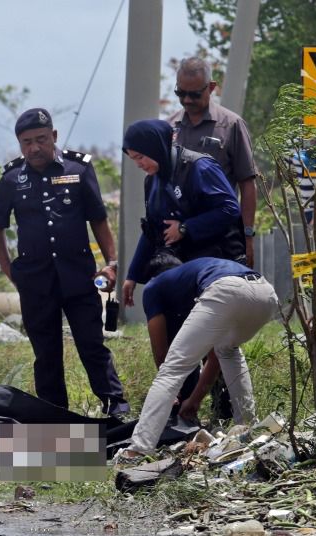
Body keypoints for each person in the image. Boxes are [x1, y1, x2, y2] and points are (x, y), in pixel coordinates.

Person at [0, 108, 128, 418]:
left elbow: (98, 220)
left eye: (40, 139)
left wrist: (112, 263)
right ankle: (54, 414)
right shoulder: (12, 178)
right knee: (46, 354)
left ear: (53, 136)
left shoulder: (79, 169)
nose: (34, 148)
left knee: (91, 344)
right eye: (26, 142)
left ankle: (115, 406)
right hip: (35, 281)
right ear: (19, 144)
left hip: (77, 276)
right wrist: (10, 271)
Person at [121, 119, 258, 425]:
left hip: (218, 264)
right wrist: (131, 275)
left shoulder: (198, 167)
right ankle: (183, 410)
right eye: (134, 160)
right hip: (184, 270)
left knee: (219, 343)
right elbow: (152, 229)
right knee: (183, 338)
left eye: (142, 157)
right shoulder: (152, 180)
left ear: (157, 147)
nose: (140, 164)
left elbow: (229, 210)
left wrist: (186, 227)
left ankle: (225, 415)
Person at [117, 254, 279, 460]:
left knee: (172, 368)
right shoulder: (197, 274)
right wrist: (194, 400)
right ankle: (250, 430)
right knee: (228, 351)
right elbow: (215, 357)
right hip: (266, 293)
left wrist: (173, 396)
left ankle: (137, 450)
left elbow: (161, 353)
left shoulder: (153, 286)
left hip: (228, 290)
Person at [167, 56, 258, 267]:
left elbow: (247, 183)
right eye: (181, 93)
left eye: (194, 94)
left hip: (221, 237)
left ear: (211, 87)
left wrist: (248, 236)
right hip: (178, 239)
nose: (187, 100)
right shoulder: (168, 127)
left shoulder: (231, 125)